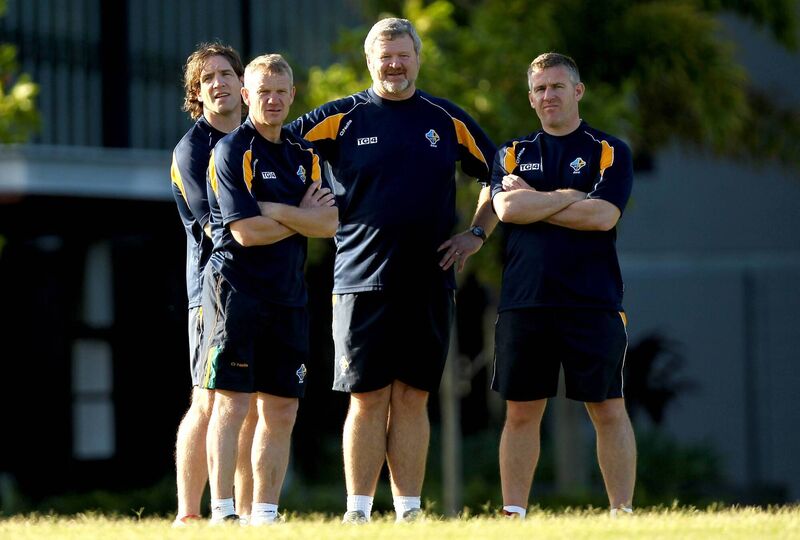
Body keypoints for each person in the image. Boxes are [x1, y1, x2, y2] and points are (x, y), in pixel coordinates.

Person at [288, 18, 497, 523]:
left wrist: (476, 234)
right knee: (365, 397)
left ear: (418, 59)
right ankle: (357, 512)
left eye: (403, 55)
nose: (394, 65)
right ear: (369, 61)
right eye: (385, 57)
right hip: (359, 282)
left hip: (429, 282)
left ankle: (408, 512)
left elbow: (499, 173)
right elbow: (277, 151)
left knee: (412, 396)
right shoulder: (341, 116)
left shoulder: (446, 119)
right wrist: (304, 211)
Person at [490, 52, 636, 518]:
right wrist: (569, 198)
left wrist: (534, 200)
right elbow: (507, 211)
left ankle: (622, 513)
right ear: (530, 98)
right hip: (524, 301)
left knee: (608, 408)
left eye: (557, 86)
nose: (548, 95)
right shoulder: (510, 153)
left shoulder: (609, 150)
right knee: (521, 413)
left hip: (592, 302)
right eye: (539, 89)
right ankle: (514, 515)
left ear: (578, 91)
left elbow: (604, 215)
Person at [202, 53, 338, 525]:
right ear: (246, 95)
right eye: (264, 92)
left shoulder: (305, 155)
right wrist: (297, 215)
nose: (274, 100)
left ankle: (264, 513)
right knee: (233, 401)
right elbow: (244, 232)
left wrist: (275, 211)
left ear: (293, 94)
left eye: (281, 91)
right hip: (237, 292)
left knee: (281, 409)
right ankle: (222, 512)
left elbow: (329, 223)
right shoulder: (231, 151)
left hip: (289, 297)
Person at [169, 41, 258, 526]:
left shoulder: (261, 139)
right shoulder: (191, 150)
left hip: (262, 289)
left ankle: (246, 513)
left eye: (226, 73)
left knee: (247, 405)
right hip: (212, 293)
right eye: (208, 78)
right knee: (207, 400)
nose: (219, 82)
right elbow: (220, 224)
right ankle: (188, 515)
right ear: (196, 94)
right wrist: (291, 217)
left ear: (243, 86)